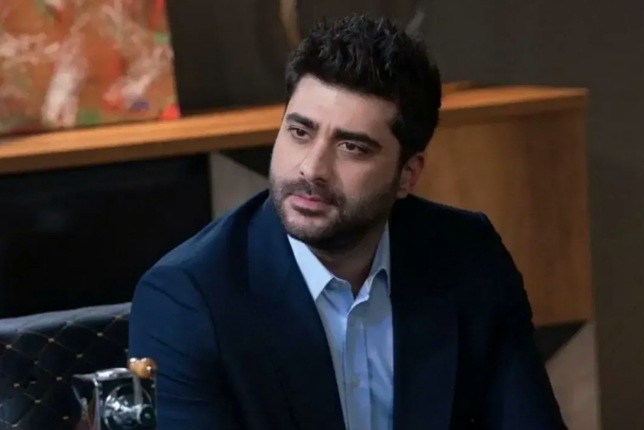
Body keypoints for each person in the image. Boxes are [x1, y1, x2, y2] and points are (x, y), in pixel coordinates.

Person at [129, 14, 567, 430]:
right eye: (300, 132)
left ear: (407, 175)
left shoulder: (467, 256)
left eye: (352, 147)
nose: (312, 168)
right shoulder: (188, 299)